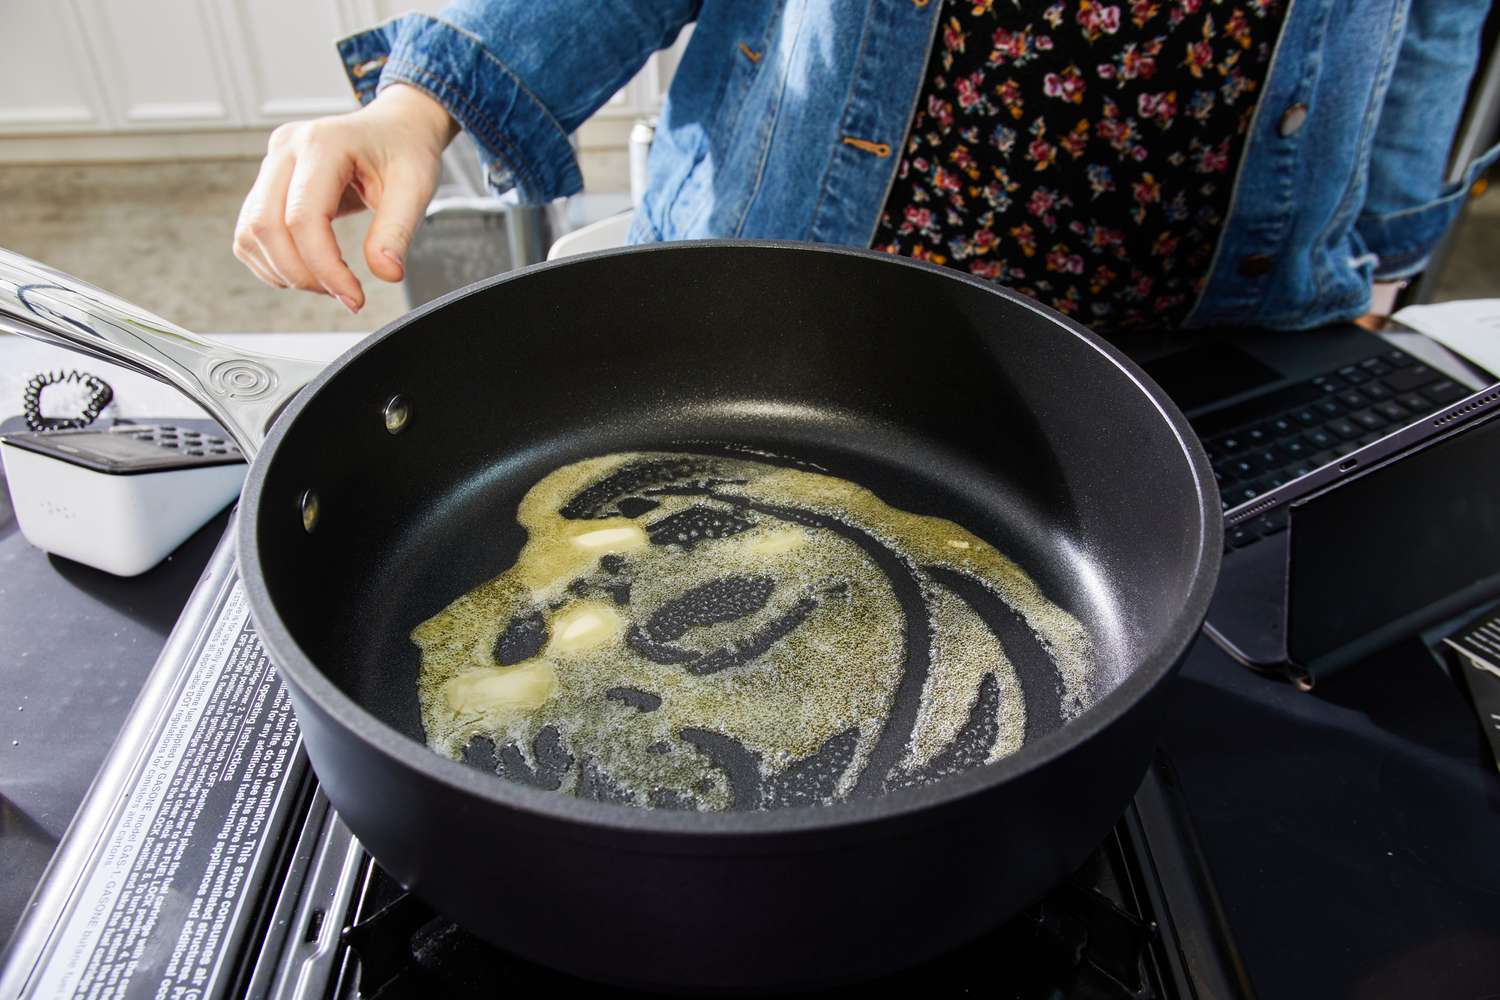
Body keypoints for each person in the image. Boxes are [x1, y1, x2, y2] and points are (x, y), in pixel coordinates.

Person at [232, 1, 1497, 334]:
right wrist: (424, 96)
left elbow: (1434, 20)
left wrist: (1381, 242)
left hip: (1204, 334)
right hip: (813, 300)